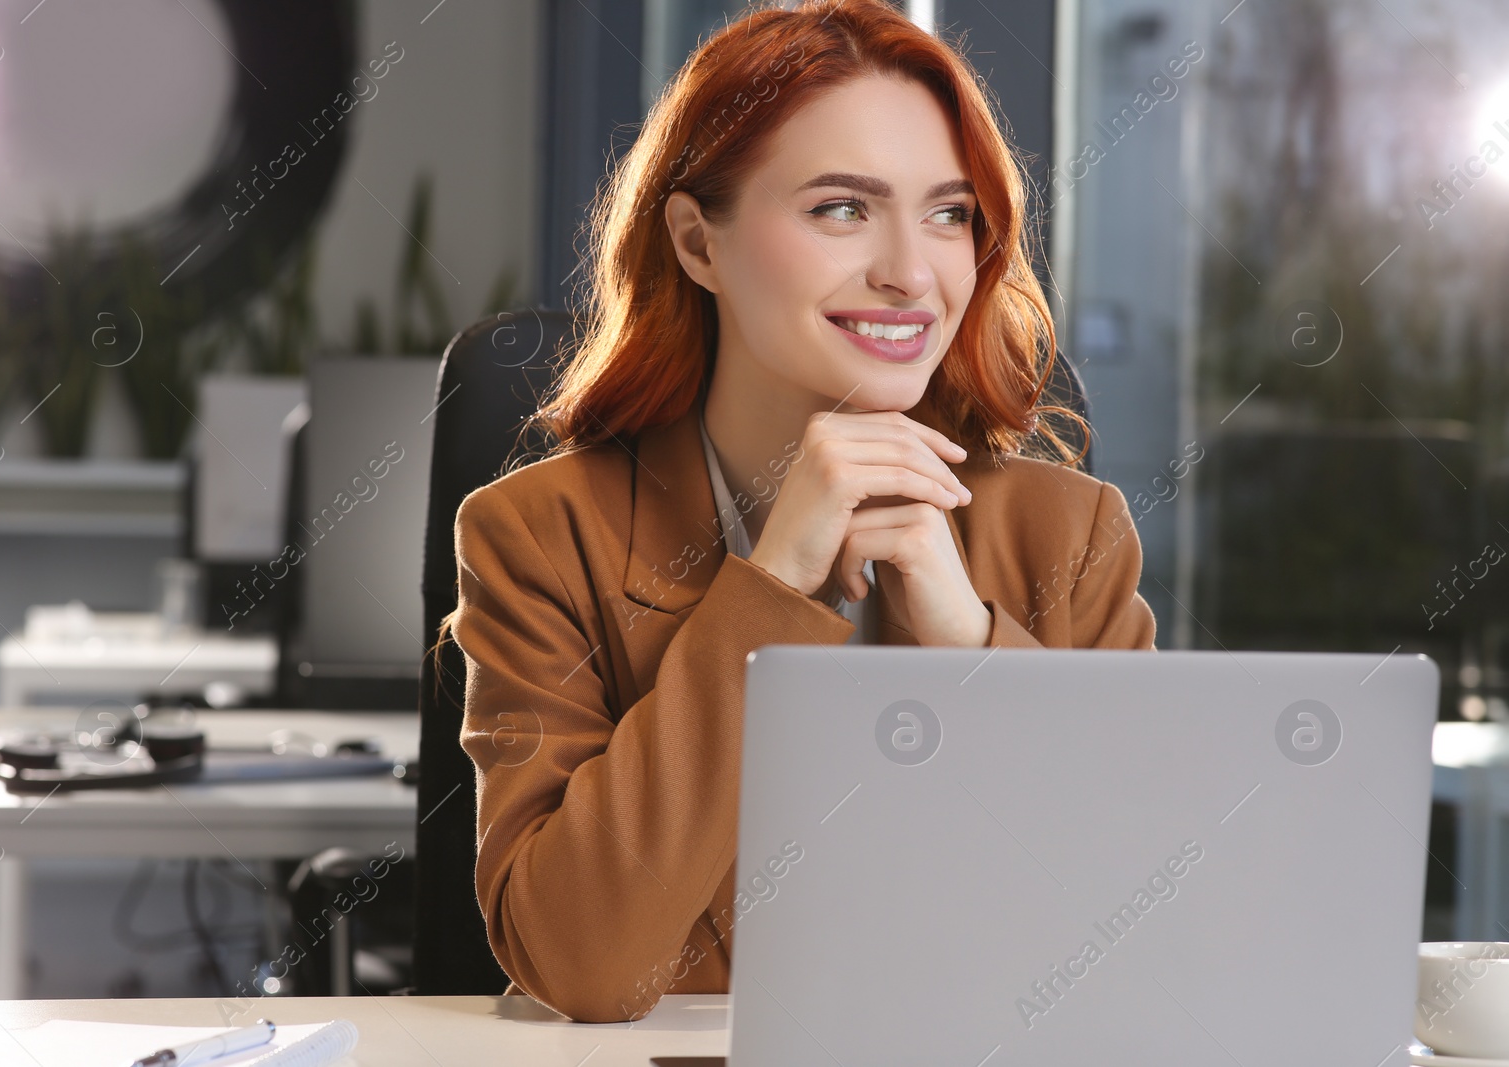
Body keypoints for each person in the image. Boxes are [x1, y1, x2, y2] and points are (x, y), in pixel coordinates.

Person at [433, 0, 1157, 1023]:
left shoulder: (1069, 537)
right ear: (696, 242)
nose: (912, 271)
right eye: (840, 209)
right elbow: (586, 961)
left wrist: (971, 646)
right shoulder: (538, 537)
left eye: (950, 213)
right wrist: (766, 592)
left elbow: (1143, 932)